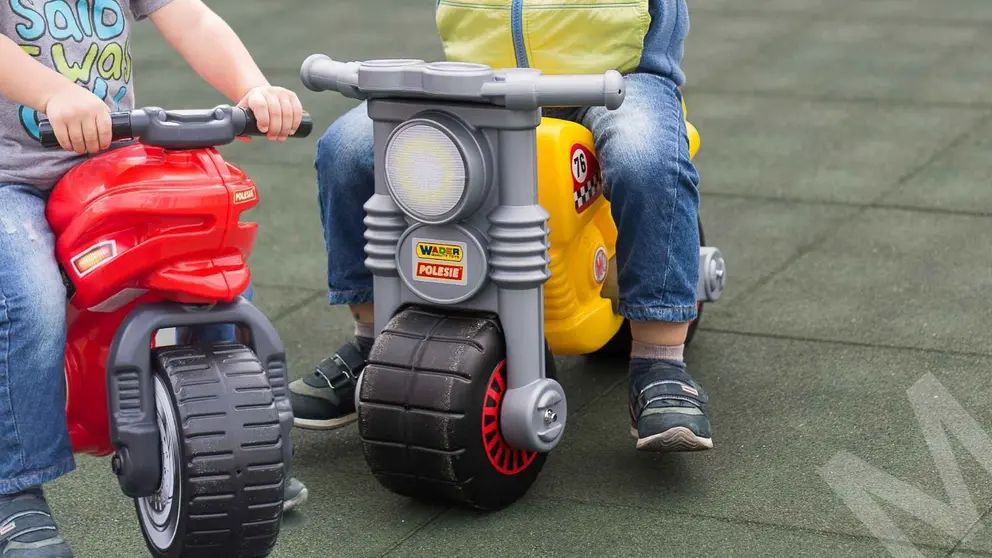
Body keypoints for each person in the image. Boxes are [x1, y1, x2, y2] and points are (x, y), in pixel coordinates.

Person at [291, 0, 712, 455]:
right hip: (482, 78)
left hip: (614, 75)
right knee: (346, 151)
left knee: (646, 159)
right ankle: (371, 337)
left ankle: (660, 360)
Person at [0, 0, 307, 554]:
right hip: (10, 178)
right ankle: (15, 492)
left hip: (107, 165)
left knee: (205, 263)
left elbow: (192, 19)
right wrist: (53, 93)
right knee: (30, 297)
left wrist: (252, 88)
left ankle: (239, 446)